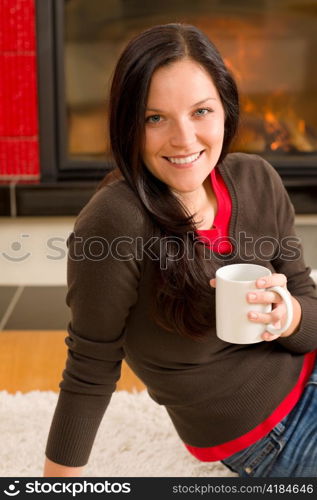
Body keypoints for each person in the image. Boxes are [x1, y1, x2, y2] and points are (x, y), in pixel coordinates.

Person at [43, 23, 317, 478]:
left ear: (226, 111)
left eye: (201, 112)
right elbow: (90, 369)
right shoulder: (115, 223)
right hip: (269, 435)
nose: (184, 139)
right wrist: (54, 486)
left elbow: (308, 303)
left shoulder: (256, 178)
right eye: (155, 118)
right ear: (129, 124)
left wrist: (287, 315)